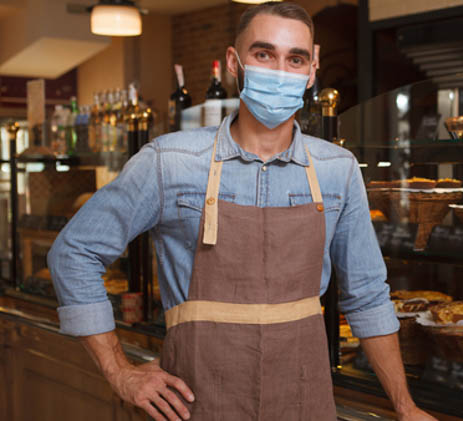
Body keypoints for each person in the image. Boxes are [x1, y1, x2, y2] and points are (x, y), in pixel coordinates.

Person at [47, 3, 435, 420]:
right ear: (235, 62)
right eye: (264, 54)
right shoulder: (170, 161)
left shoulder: (336, 170)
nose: (280, 71)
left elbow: (368, 297)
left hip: (302, 403)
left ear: (313, 69)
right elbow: (74, 254)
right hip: (196, 405)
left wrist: (405, 407)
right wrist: (121, 373)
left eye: (296, 58)